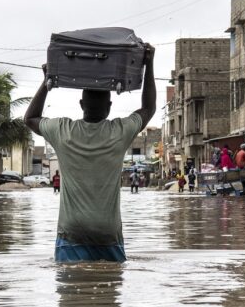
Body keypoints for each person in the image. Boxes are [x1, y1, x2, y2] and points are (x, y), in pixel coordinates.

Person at [24, 46, 156, 262]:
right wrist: (149, 64)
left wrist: (46, 81)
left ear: (81, 104)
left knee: (72, 291)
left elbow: (30, 118)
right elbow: (148, 108)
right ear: (110, 107)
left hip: (72, 231)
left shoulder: (63, 131)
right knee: (109, 290)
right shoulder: (120, 132)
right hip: (108, 232)